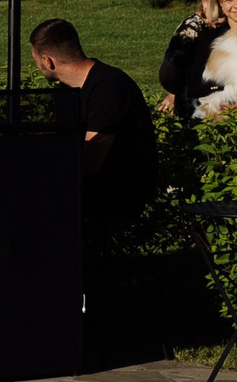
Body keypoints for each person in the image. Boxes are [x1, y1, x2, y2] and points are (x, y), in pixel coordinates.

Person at [29, 18, 158, 242]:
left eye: (35, 61)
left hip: (115, 197)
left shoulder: (109, 87)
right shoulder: (68, 92)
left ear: (47, 61)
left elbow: (90, 162)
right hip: (90, 194)